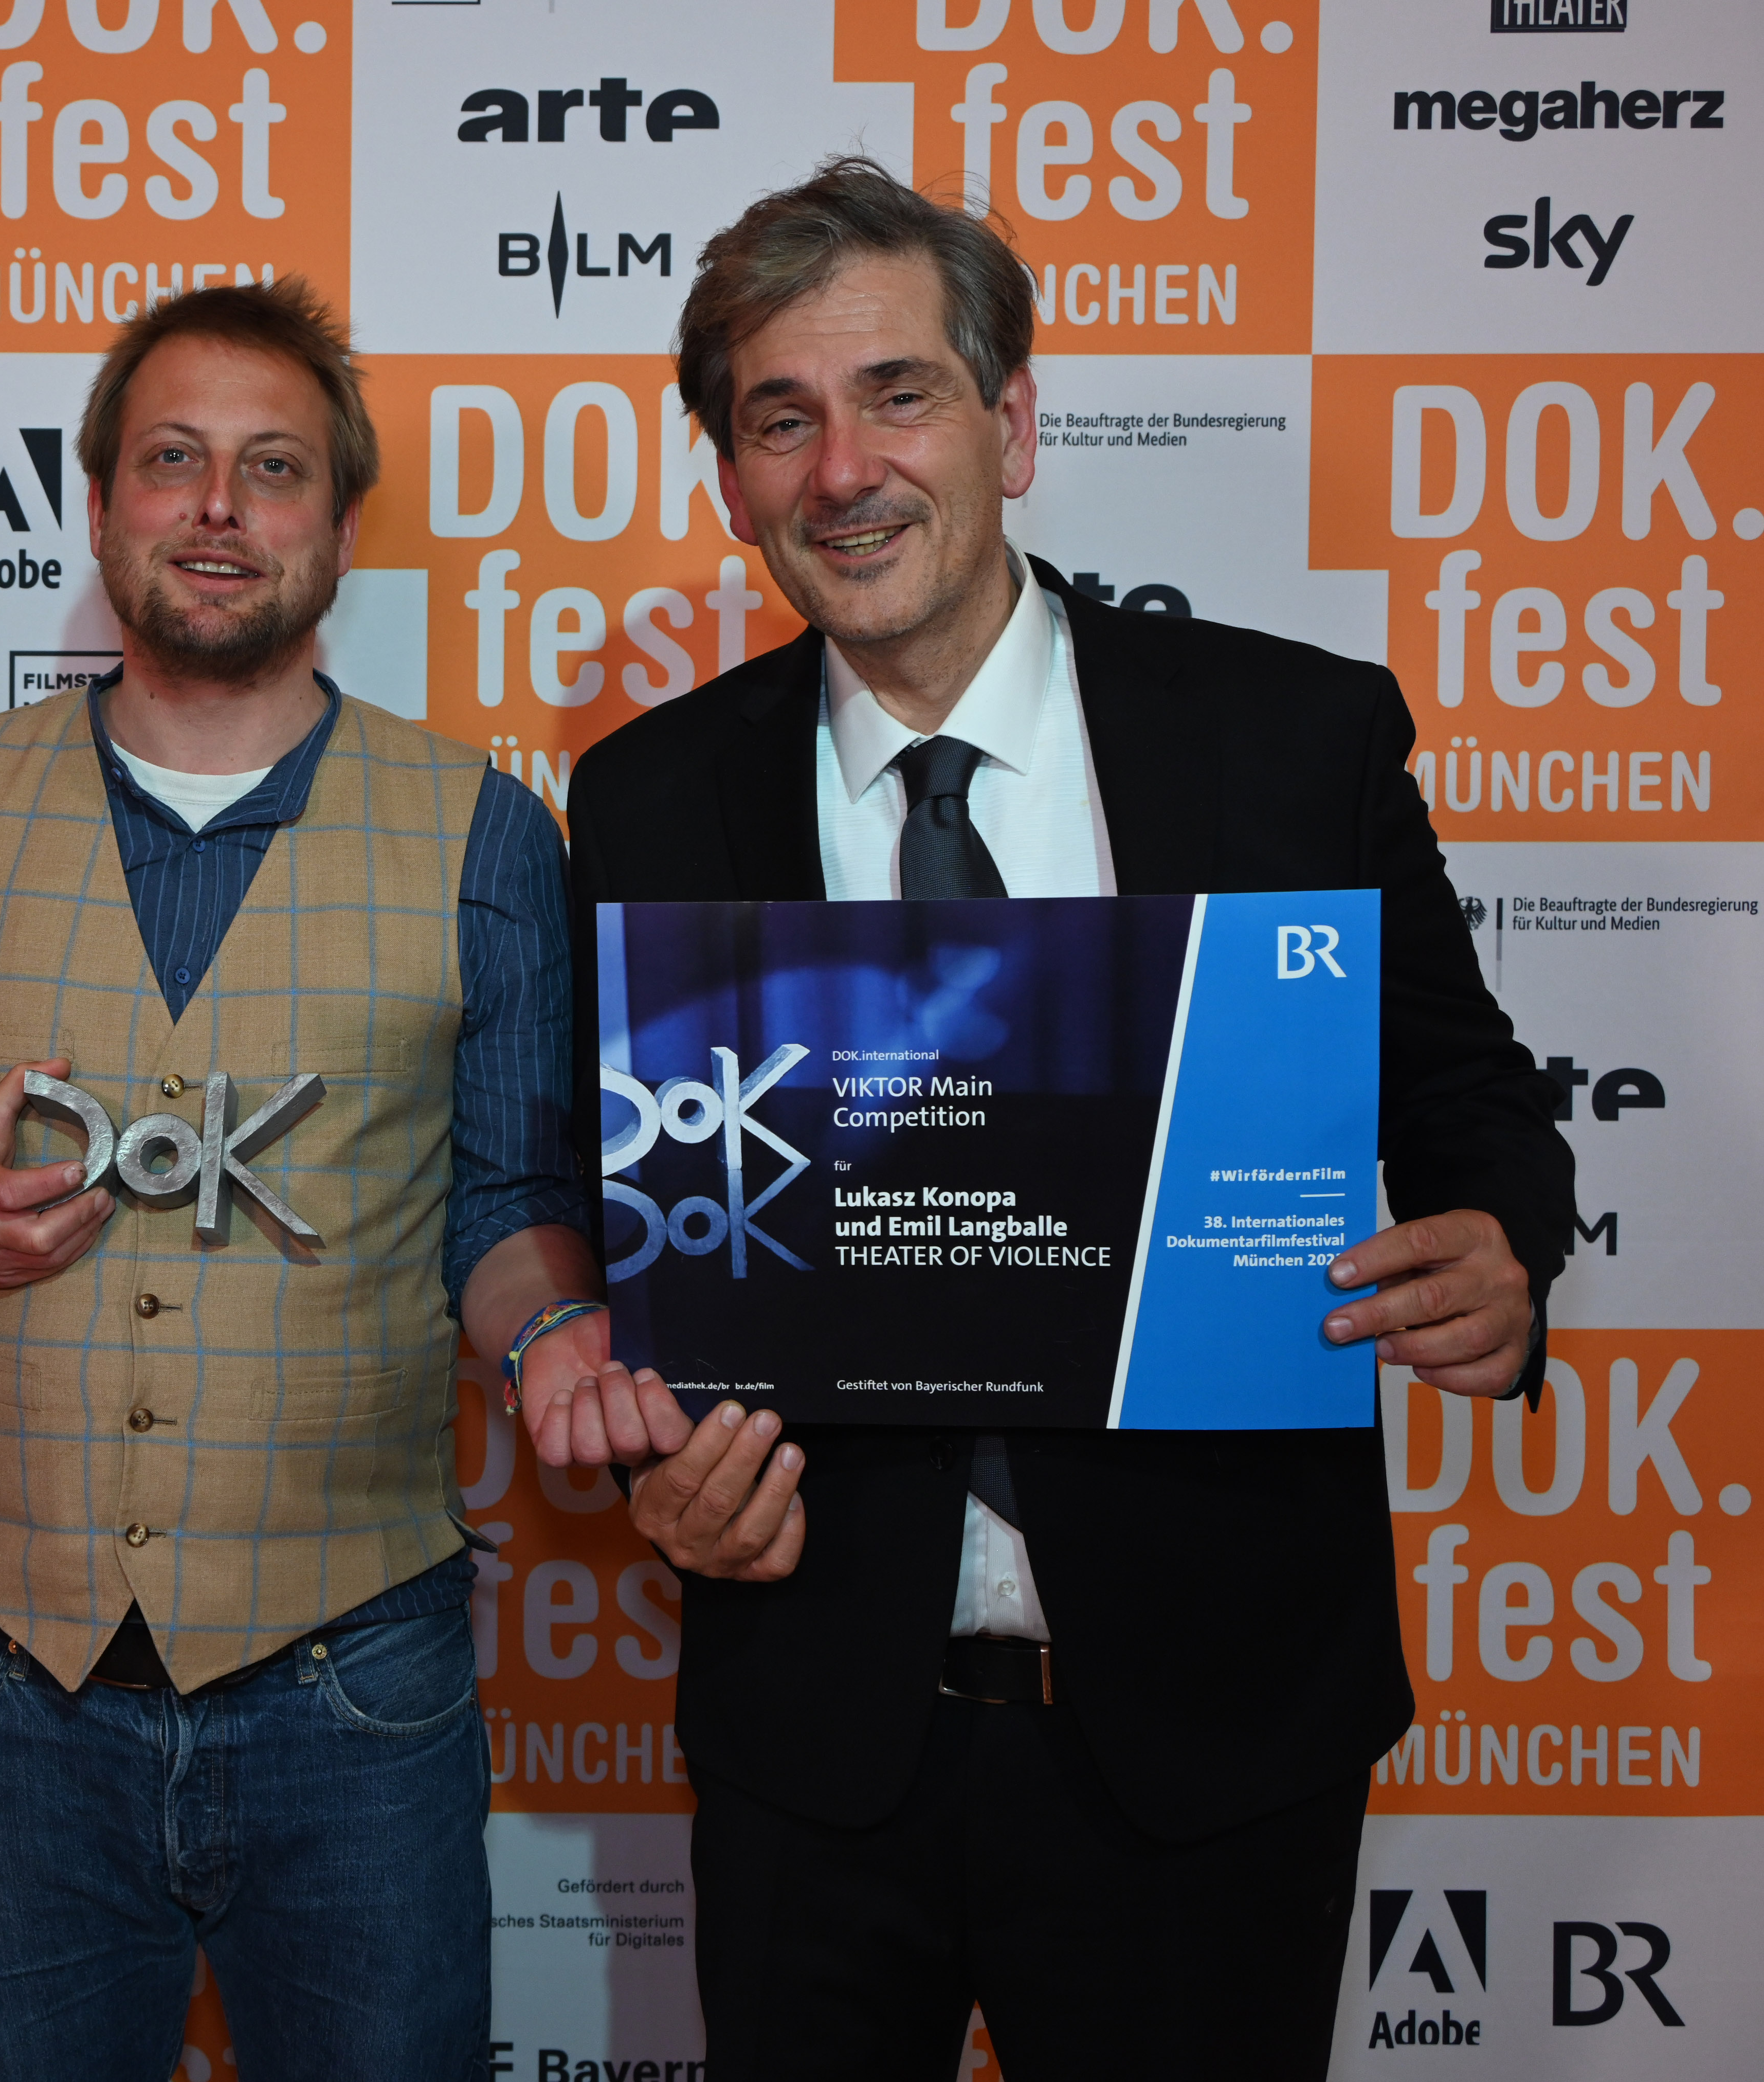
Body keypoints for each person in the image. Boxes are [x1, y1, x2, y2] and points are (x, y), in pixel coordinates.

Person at [559, 159, 1574, 2080]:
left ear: (1011, 426)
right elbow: (625, 1210)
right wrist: (651, 1467)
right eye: (780, 420)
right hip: (815, 1732)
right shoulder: (645, 798)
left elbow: (1465, 1094)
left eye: (899, 395)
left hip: (1212, 1728)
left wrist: (1506, 1244)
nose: (842, 469)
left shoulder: (1292, 738)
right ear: (731, 481)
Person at [0, 279, 612, 2080]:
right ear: (98, 504)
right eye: (172, 459)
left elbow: (502, 1204)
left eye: (272, 466)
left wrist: (548, 1340)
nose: (218, 506)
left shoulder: (488, 835)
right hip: (11, 1694)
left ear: (340, 525)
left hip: (359, 1691)